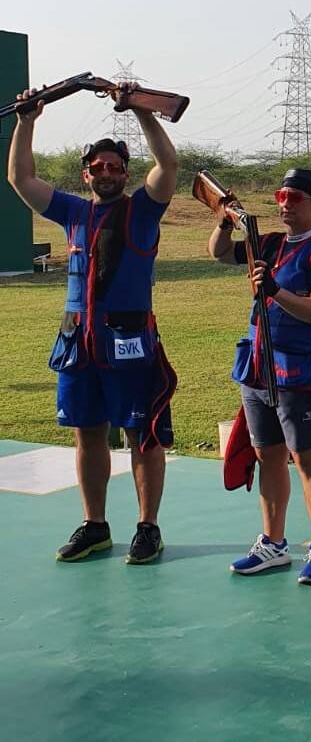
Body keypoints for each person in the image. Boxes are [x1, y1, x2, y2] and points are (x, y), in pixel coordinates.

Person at [7, 84, 179, 564]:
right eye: (98, 167)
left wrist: (142, 111)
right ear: (86, 175)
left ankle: (148, 528)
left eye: (115, 167)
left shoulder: (143, 209)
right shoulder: (73, 211)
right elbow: (21, 178)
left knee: (140, 436)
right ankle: (96, 525)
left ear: (125, 173)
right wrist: (27, 120)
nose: (106, 172)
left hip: (130, 342)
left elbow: (167, 167)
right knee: (86, 432)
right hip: (77, 343)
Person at [208, 169, 311, 585]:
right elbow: (218, 252)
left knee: (307, 457)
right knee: (267, 453)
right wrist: (221, 216)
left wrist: (274, 291)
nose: (285, 203)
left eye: (296, 197)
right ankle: (273, 542)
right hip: (257, 364)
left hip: (301, 369)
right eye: (280, 195)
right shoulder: (264, 241)